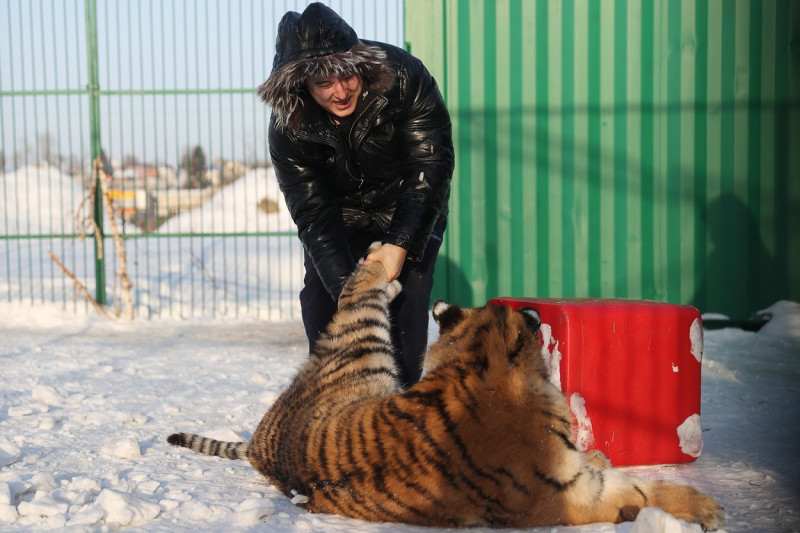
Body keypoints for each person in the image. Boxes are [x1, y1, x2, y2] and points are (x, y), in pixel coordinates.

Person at [258, 2, 454, 387]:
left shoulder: (404, 77)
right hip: (339, 217)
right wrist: (348, 292)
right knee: (323, 302)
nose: (340, 90)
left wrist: (399, 244)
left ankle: (399, 409)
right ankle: (335, 401)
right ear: (302, 86)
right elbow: (312, 213)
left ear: (359, 64)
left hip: (407, 204)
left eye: (347, 76)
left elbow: (430, 165)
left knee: (407, 300)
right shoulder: (288, 128)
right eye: (323, 84)